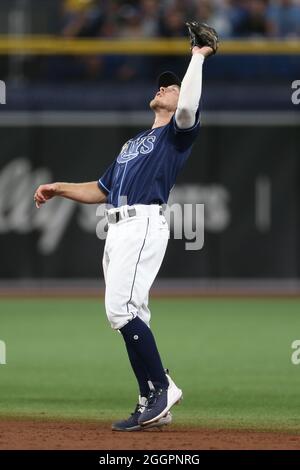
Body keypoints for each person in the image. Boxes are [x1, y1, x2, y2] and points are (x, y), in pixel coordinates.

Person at [34, 22, 218, 432]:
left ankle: (161, 390)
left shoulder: (177, 134)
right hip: (116, 229)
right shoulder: (131, 144)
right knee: (131, 313)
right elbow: (102, 189)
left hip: (143, 223)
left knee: (121, 310)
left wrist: (197, 57)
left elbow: (188, 106)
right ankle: (153, 397)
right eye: (163, 85)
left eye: (170, 88)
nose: (164, 89)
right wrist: (60, 187)